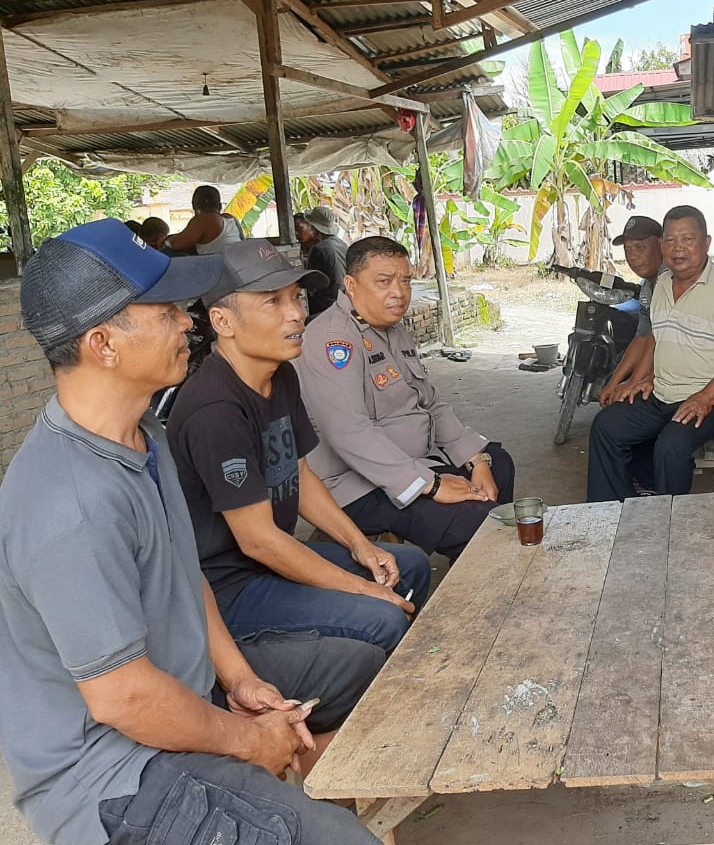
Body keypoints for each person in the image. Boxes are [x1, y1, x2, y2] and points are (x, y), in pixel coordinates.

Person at [0, 219, 381, 845]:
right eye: (166, 311)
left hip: (186, 695)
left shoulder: (143, 439)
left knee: (363, 670)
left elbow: (186, 575)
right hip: (114, 774)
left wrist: (240, 682)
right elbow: (125, 701)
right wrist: (249, 740)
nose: (189, 322)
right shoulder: (69, 502)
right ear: (103, 344)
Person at [166, 238, 432, 656]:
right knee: (381, 615)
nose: (297, 315)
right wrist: (359, 588)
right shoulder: (214, 410)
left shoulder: (282, 375)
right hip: (232, 587)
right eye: (272, 302)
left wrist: (360, 545)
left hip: (274, 562)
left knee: (409, 566)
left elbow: (300, 475)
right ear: (223, 321)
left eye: (296, 298)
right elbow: (257, 541)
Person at [296, 236, 515, 561]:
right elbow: (349, 433)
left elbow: (430, 401)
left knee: (500, 464)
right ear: (351, 285)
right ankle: (482, 569)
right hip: (362, 484)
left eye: (405, 281)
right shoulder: (332, 341)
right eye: (384, 282)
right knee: (479, 521)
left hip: (417, 461)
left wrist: (475, 459)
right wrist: (432, 485)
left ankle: (474, 563)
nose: (398, 292)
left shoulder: (392, 330)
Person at [587, 205, 714, 502]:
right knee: (607, 426)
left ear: (706, 243)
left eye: (687, 239)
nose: (678, 249)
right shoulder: (662, 284)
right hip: (664, 393)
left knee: (671, 444)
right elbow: (656, 335)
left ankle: (669, 520)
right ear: (662, 244)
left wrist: (705, 398)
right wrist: (648, 377)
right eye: (670, 240)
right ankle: (612, 508)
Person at [597, 214, 665, 494]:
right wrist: (614, 383)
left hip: (677, 377)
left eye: (640, 248)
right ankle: (640, 482)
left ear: (660, 245)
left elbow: (658, 340)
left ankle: (642, 485)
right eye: (627, 250)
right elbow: (641, 338)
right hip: (658, 373)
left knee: (617, 419)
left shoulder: (668, 282)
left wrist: (635, 382)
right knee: (619, 401)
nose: (633, 257)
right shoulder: (648, 287)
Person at [301, 205, 348, 320]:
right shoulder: (342, 245)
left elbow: (311, 286)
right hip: (344, 302)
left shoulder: (319, 249)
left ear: (314, 228)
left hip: (325, 308)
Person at [166, 185, 243, 255]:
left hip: (219, 267)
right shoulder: (230, 218)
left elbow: (176, 244)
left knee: (166, 252)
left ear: (194, 206)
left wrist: (165, 240)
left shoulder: (205, 219)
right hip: (238, 265)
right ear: (220, 205)